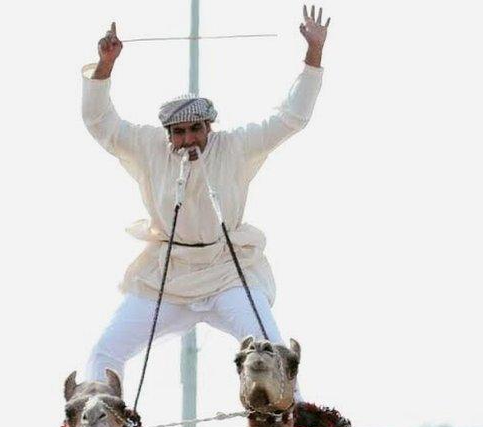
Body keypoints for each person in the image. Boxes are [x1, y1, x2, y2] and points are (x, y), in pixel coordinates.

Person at [79, 6, 330, 387]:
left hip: (227, 271)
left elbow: (290, 118)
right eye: (178, 132)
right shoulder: (149, 147)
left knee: (273, 353)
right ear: (167, 133)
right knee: (103, 353)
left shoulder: (235, 146)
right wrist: (105, 65)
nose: (188, 140)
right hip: (167, 273)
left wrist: (314, 54)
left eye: (195, 129)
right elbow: (101, 123)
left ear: (209, 126)